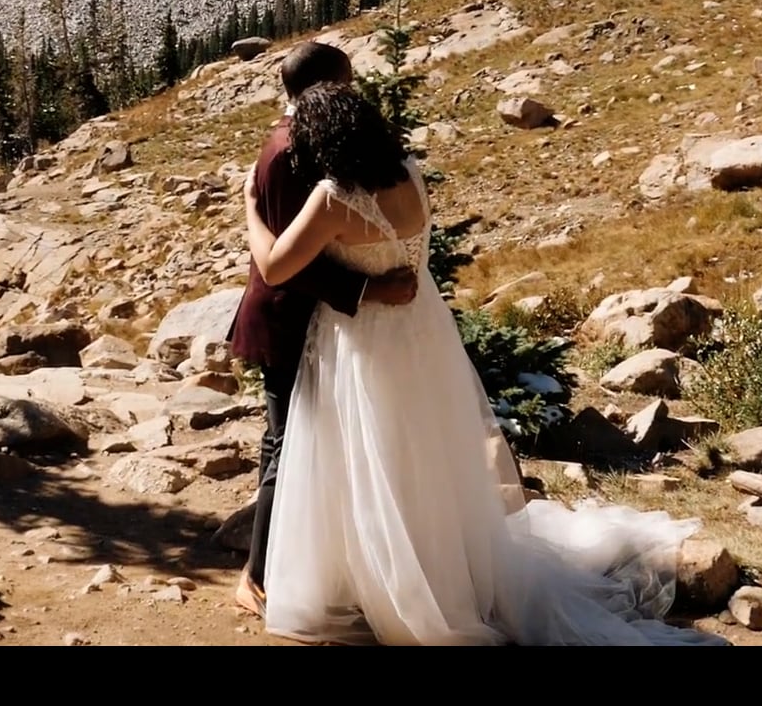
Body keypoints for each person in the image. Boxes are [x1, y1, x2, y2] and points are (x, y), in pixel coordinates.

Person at [243, 82, 730, 646]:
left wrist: (254, 210)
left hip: (362, 344)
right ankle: (444, 570)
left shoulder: (332, 197)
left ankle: (385, 580)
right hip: (421, 332)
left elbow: (276, 267)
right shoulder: (407, 170)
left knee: (369, 458)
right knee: (423, 457)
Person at [225, 42, 420, 618]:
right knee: (284, 444)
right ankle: (258, 574)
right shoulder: (290, 150)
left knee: (314, 443)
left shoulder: (314, 142)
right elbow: (290, 263)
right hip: (289, 318)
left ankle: (314, 561)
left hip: (327, 321)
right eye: (348, 81)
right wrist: (368, 290)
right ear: (329, 87)